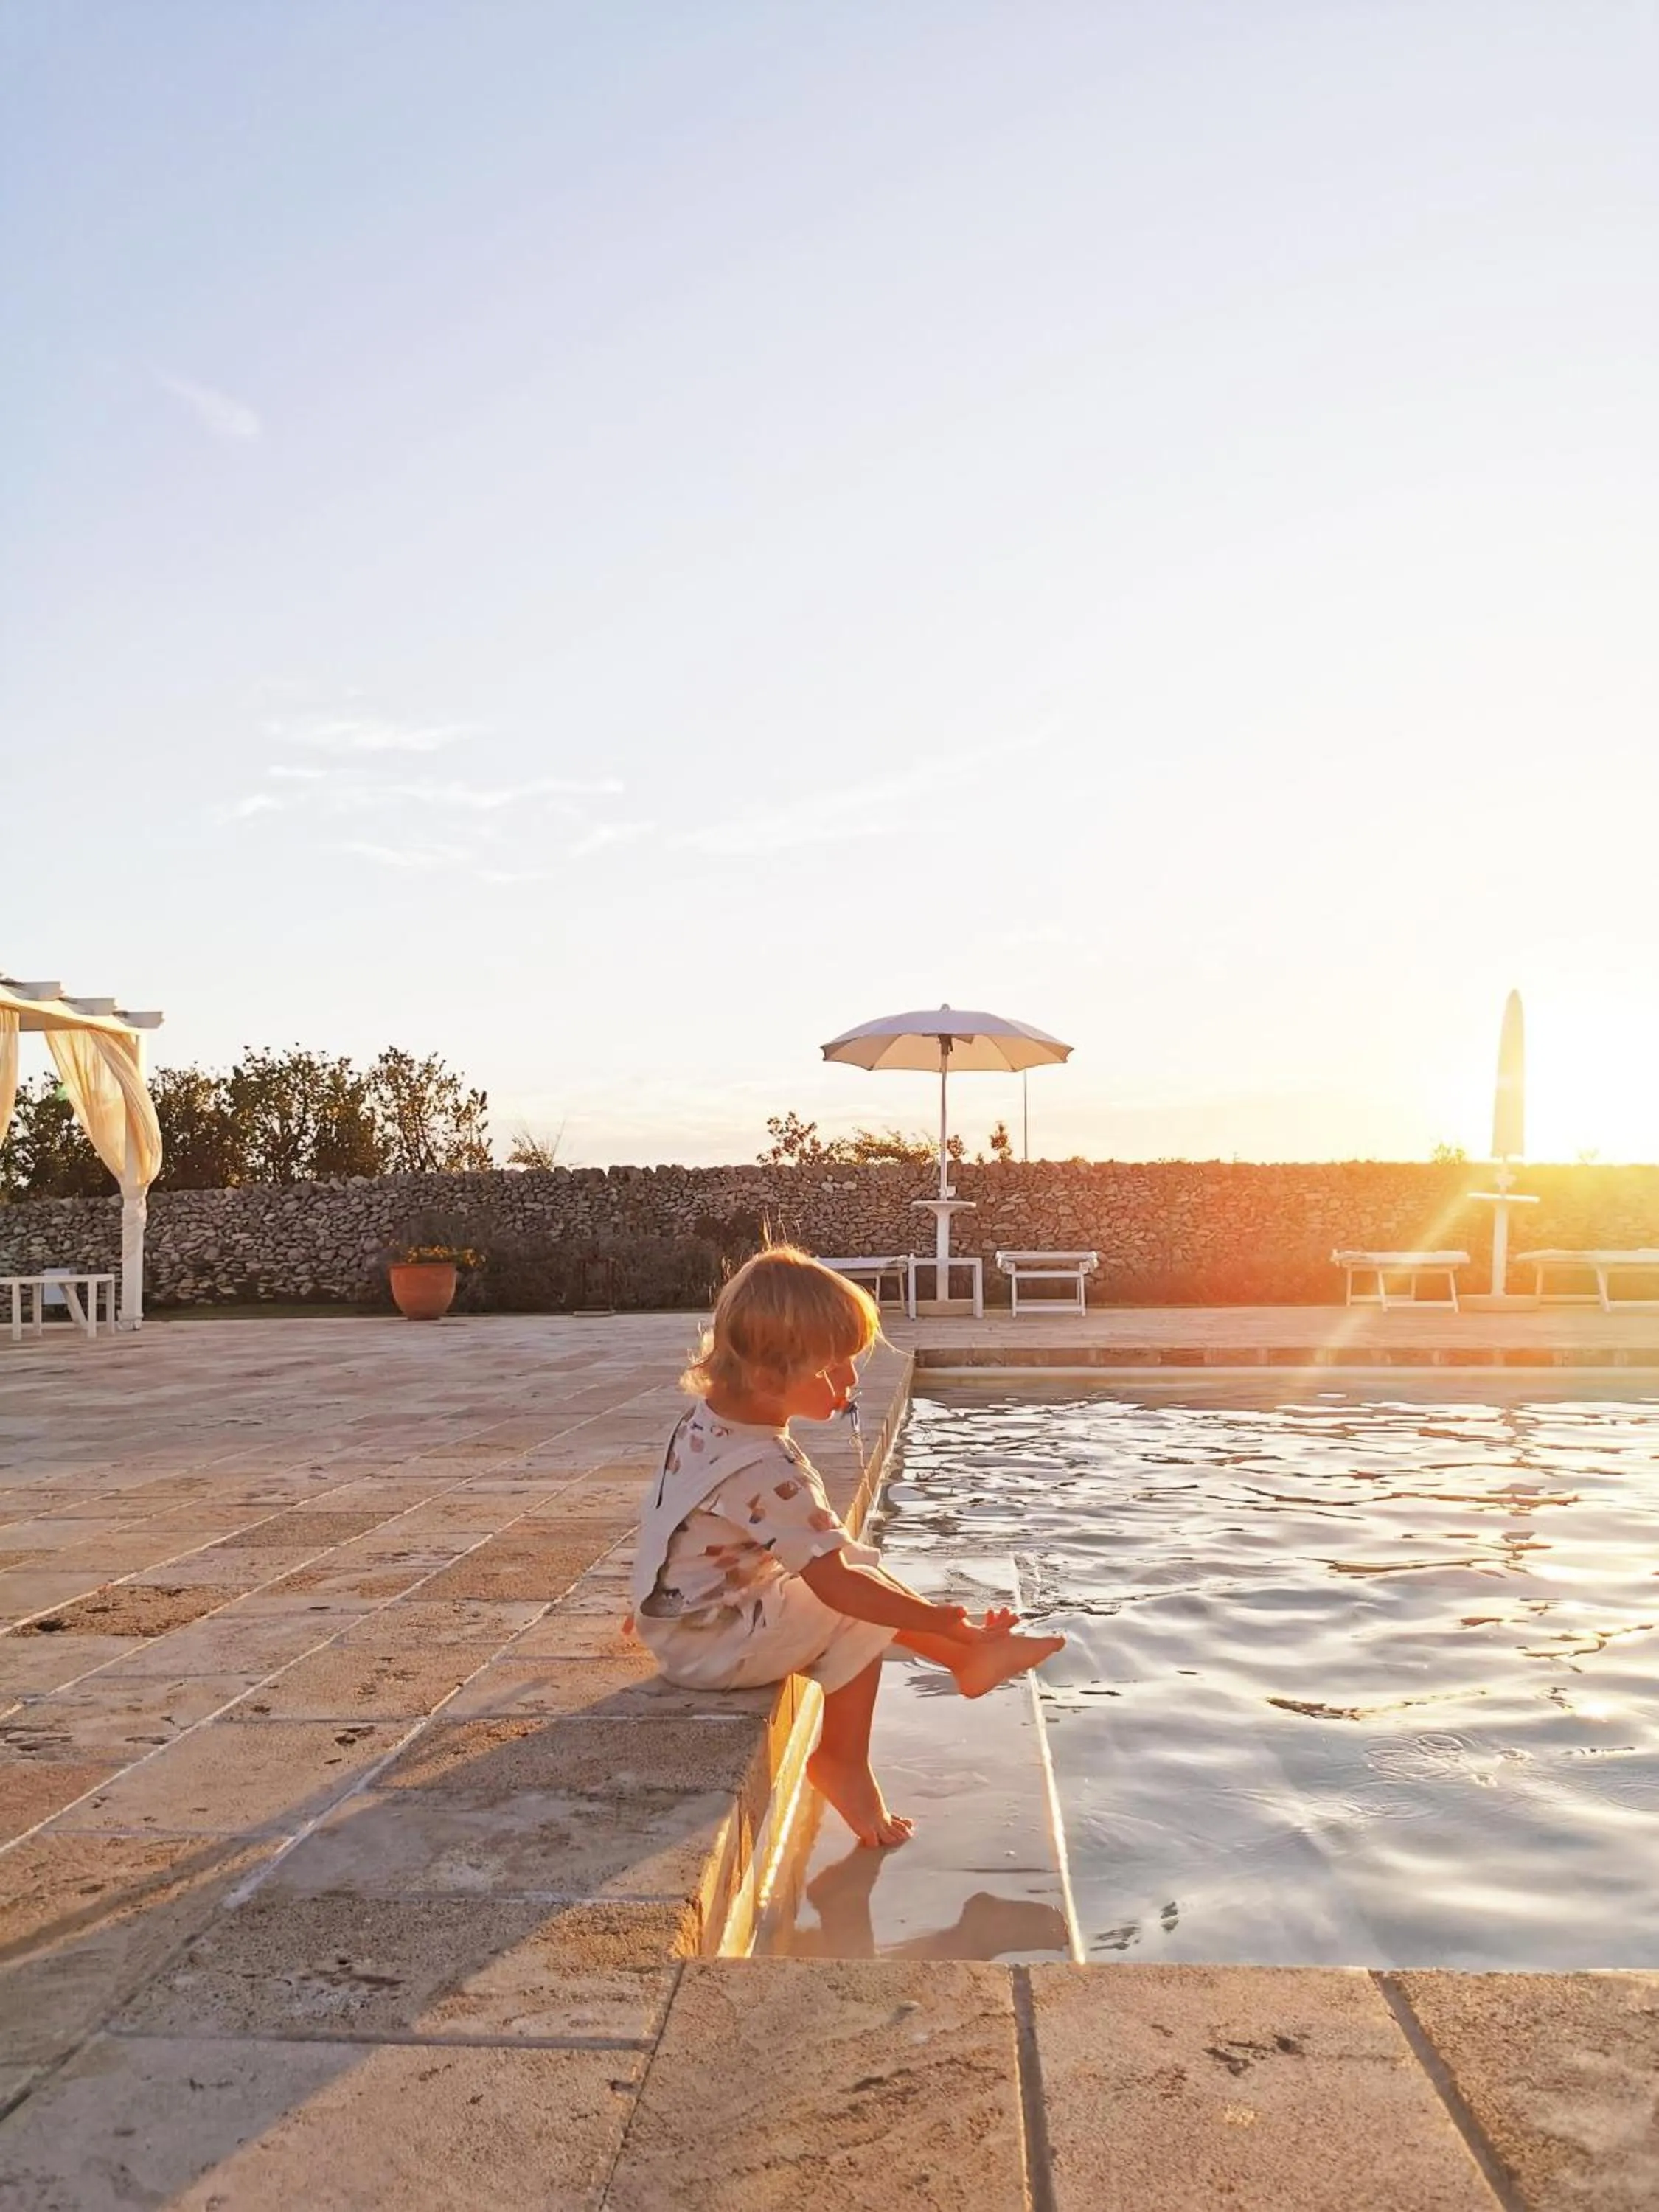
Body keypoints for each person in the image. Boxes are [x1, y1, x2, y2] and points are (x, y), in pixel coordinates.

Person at [628, 1245, 1064, 1847]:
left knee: (843, 1559)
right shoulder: (766, 1468)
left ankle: (965, 1656)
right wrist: (935, 1616)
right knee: (849, 1605)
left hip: (690, 1624)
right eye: (834, 1368)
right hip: (712, 1647)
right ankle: (843, 1761)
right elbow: (838, 1587)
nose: (854, 1381)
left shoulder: (709, 1423)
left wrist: (660, 1595)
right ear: (765, 1376)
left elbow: (672, 1513)